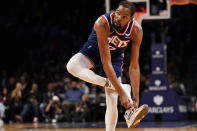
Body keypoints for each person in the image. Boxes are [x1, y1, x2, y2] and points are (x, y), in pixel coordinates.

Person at [66, 0, 148, 130]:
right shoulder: (102, 23)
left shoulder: (136, 30)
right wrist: (121, 91)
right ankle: (120, 87)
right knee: (71, 66)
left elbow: (134, 66)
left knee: (112, 98)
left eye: (124, 16)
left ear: (131, 18)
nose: (118, 17)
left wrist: (136, 100)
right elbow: (105, 61)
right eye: (117, 13)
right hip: (93, 51)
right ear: (114, 12)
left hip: (114, 57)